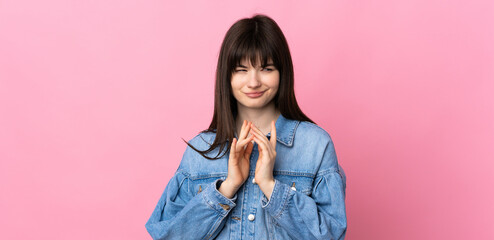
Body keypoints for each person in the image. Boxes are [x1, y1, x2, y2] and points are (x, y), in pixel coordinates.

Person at [145, 14, 347, 240]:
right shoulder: (200, 150)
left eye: (267, 68)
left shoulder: (315, 146)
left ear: (283, 73)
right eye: (241, 69)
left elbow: (330, 235)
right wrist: (227, 187)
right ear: (227, 76)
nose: (253, 82)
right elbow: (167, 236)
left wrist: (271, 186)